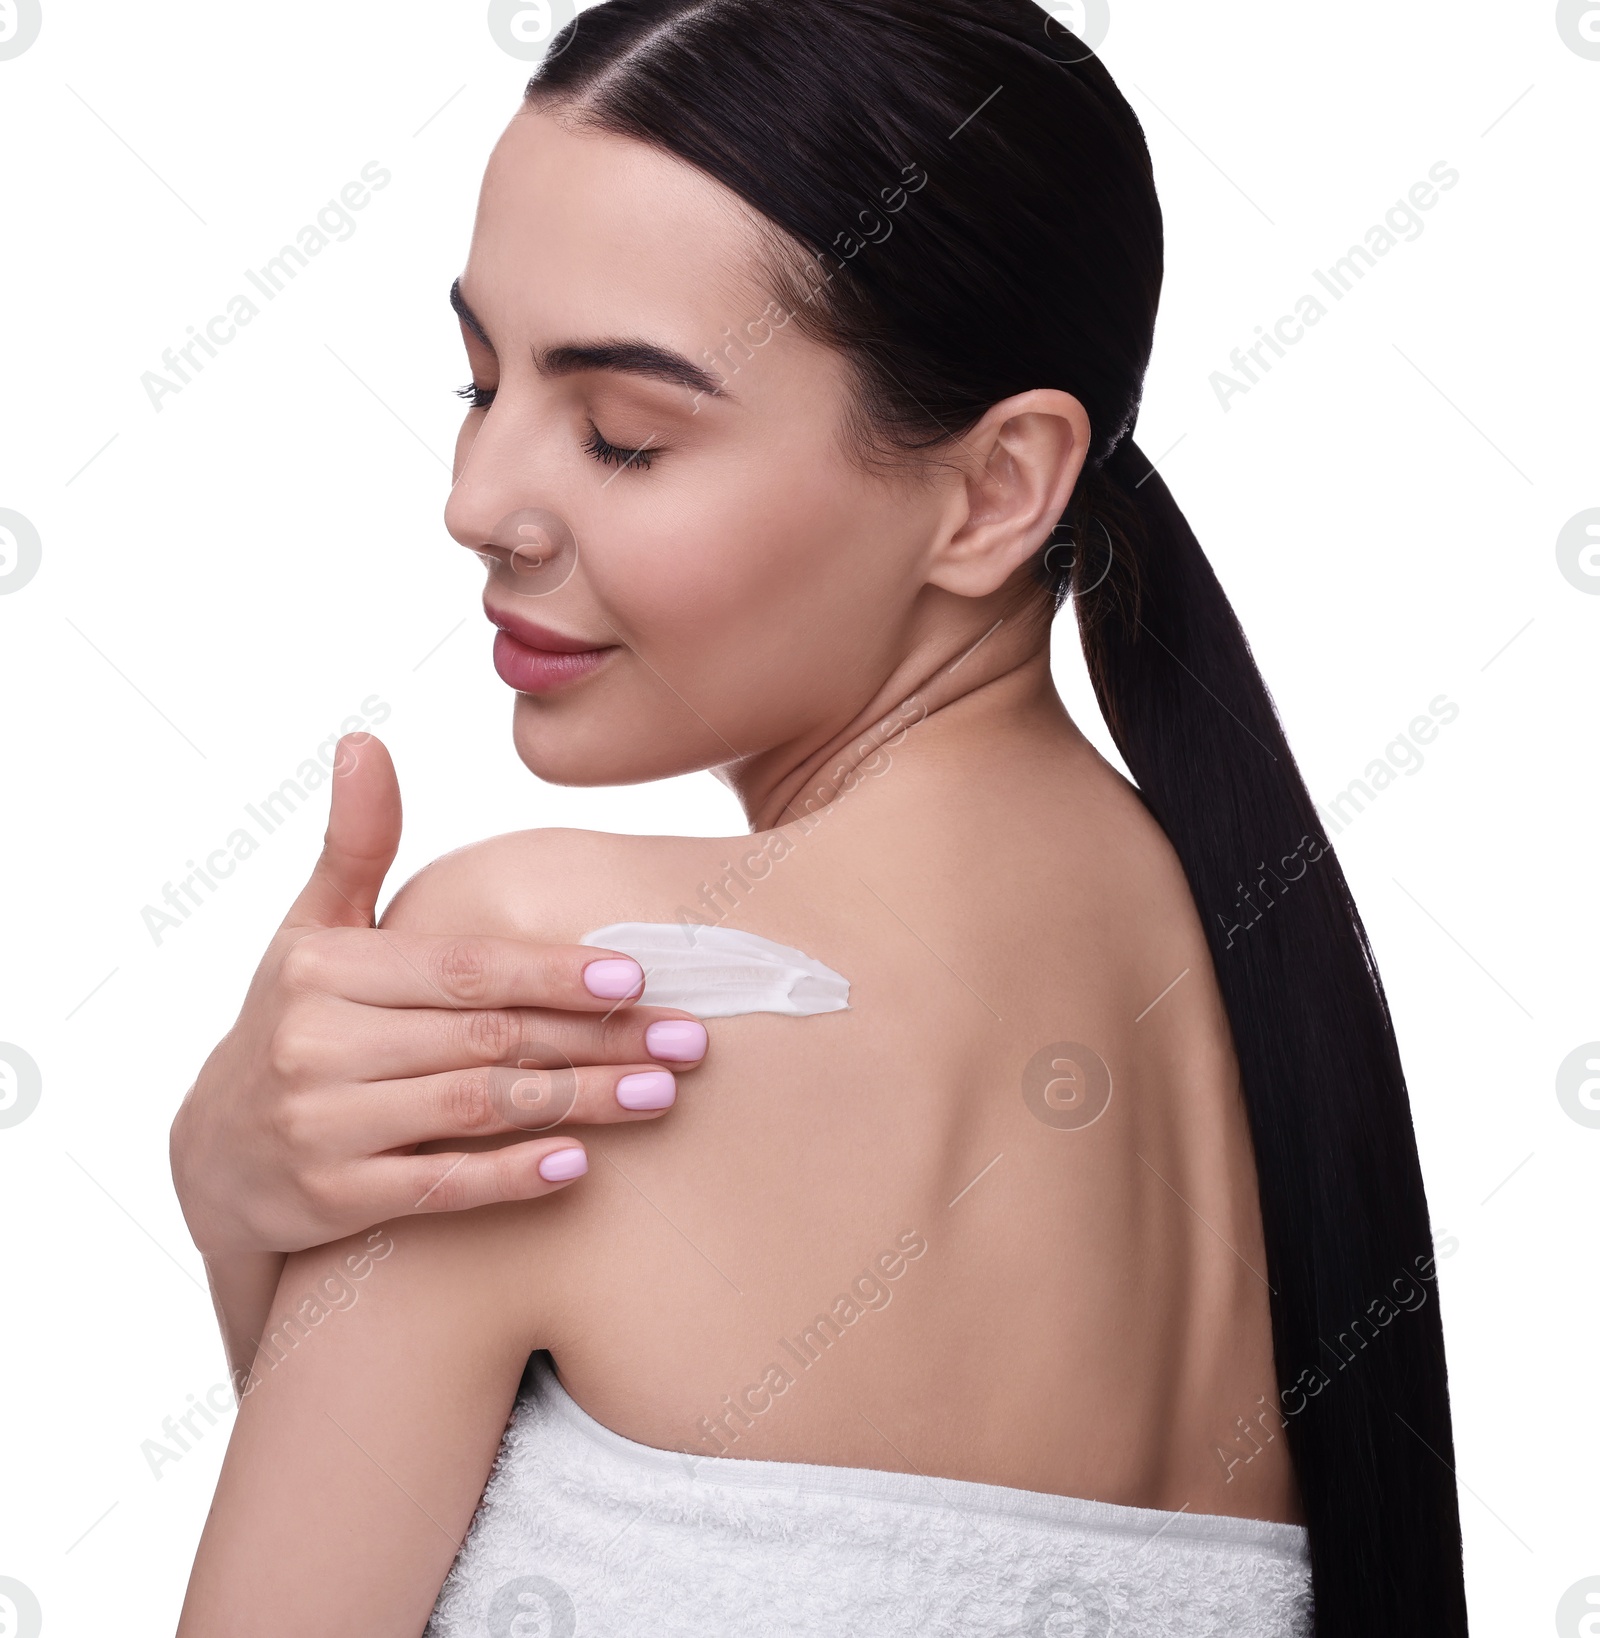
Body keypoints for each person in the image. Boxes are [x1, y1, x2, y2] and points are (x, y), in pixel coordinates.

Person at [173, 3, 1468, 1634]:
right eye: (478, 378)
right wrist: (248, 1213)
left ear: (997, 488)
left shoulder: (555, 982)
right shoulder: (1238, 970)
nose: (478, 500)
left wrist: (228, 1194)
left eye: (623, 435)